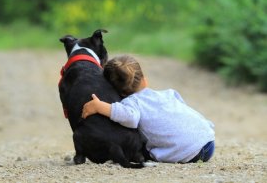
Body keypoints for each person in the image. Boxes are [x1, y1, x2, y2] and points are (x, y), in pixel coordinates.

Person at [82, 55, 215, 163]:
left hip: (190, 153)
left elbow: (130, 117)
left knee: (141, 148)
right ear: (144, 80)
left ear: (118, 93)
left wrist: (101, 107)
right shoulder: (169, 93)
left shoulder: (132, 102)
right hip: (208, 140)